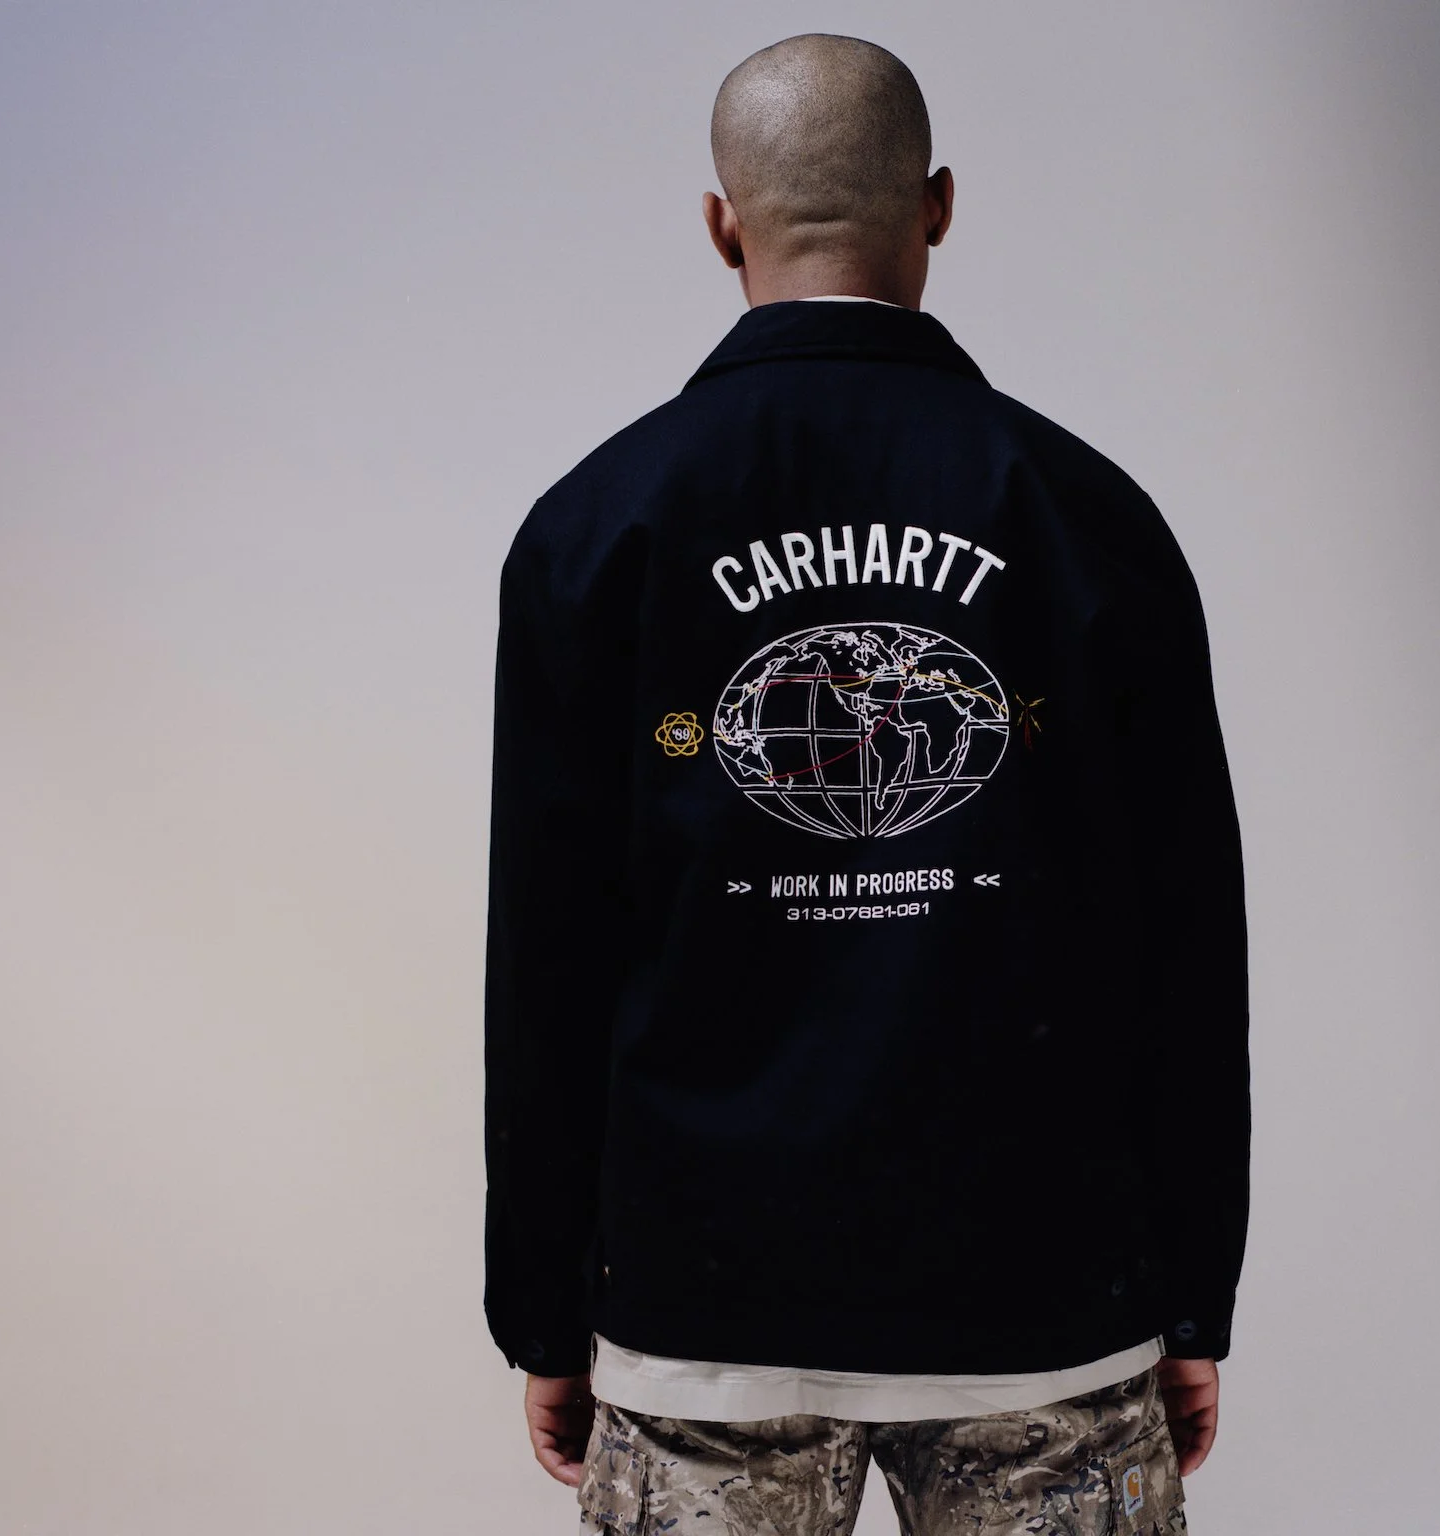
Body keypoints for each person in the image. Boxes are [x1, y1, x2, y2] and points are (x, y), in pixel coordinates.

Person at [482, 32, 1250, 1535]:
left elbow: (547, 958)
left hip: (704, 1313)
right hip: (1044, 1292)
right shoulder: (1090, 515)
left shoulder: (594, 529)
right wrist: (1189, 1292)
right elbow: (1187, 939)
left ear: (722, 225)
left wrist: (545, 1312)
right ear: (938, 206)